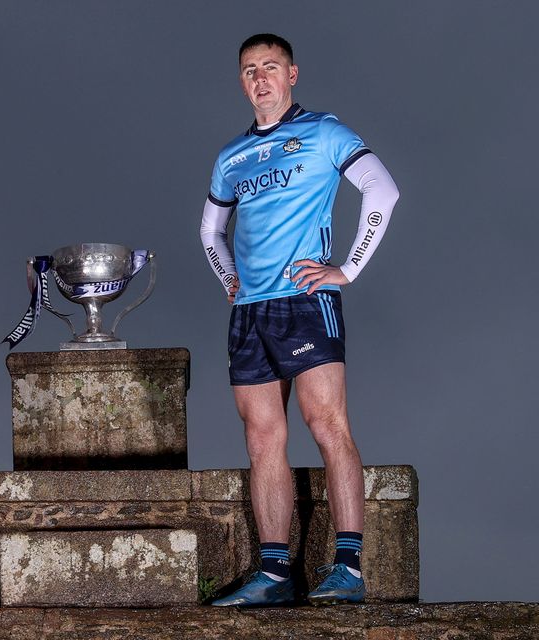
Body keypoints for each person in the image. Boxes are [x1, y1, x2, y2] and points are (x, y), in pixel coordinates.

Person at [200, 33, 399, 606]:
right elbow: (210, 230)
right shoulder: (230, 157)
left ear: (292, 75)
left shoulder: (324, 132)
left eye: (270, 67)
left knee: (327, 425)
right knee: (263, 437)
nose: (259, 77)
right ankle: (274, 574)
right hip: (249, 313)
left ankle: (350, 568)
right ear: (242, 81)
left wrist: (348, 270)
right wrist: (229, 279)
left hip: (305, 302)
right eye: (248, 70)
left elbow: (382, 191)